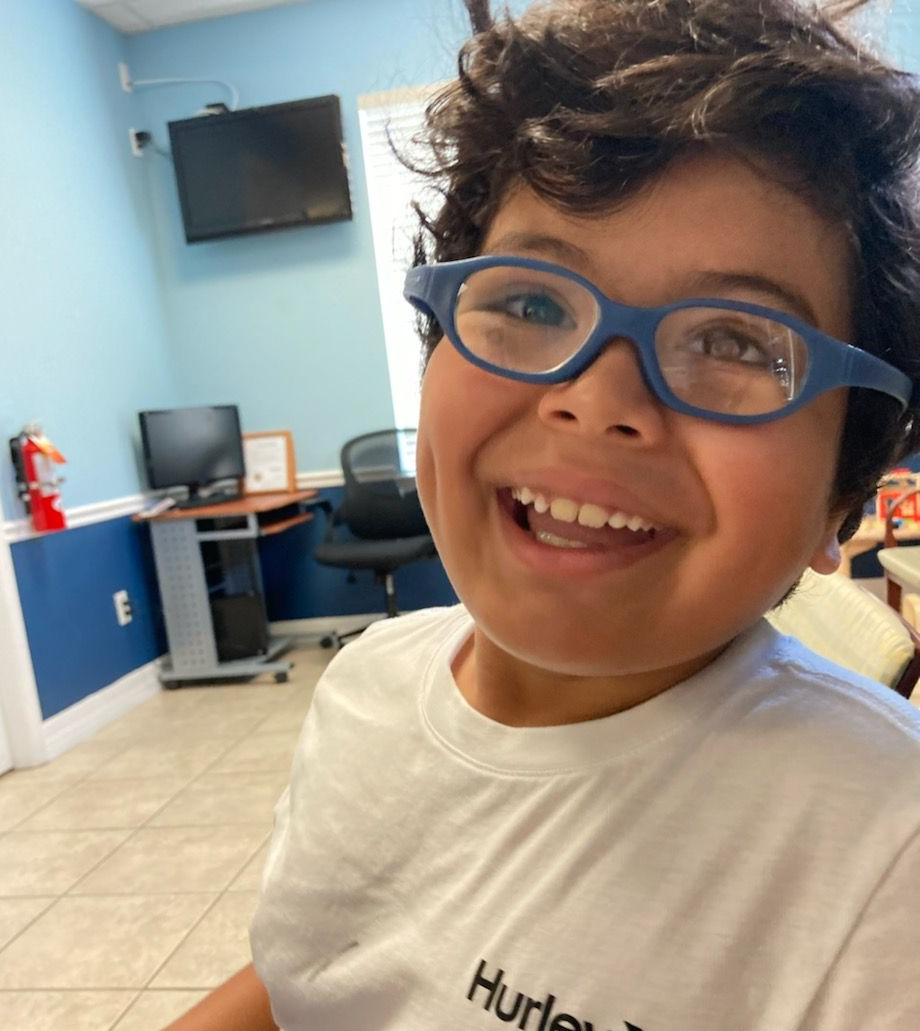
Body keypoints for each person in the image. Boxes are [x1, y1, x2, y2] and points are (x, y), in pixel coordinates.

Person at [163, 0, 920, 1028]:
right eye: (528, 303)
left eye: (739, 342)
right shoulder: (366, 685)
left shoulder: (884, 854)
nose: (599, 401)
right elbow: (317, 972)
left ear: (846, 487)